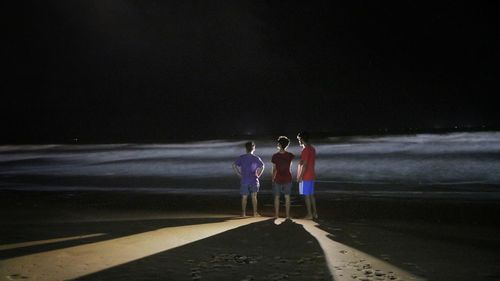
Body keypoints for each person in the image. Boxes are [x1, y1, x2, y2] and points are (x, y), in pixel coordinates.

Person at [232, 141, 265, 217]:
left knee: (244, 197)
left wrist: (239, 174)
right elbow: (262, 166)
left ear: (246, 148)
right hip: (254, 179)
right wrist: (258, 175)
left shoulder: (242, 157)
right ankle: (255, 213)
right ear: (253, 148)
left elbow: (234, 165)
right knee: (254, 197)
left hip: (244, 180)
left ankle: (243, 213)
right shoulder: (256, 158)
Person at [271, 136, 295, 219]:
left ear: (280, 144)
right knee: (287, 196)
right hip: (288, 177)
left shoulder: (275, 156)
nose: (277, 144)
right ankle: (287, 215)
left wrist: (272, 178)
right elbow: (289, 167)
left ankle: (276, 215)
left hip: (278, 177)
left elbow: (274, 169)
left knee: (277, 197)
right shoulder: (290, 155)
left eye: (278, 142)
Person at [296, 132, 317, 219]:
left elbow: (305, 164)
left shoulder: (305, 150)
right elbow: (309, 161)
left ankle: (309, 214)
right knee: (311, 195)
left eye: (298, 139)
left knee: (306, 196)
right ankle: (315, 213)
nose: (298, 141)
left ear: (301, 139)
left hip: (306, 175)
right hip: (312, 174)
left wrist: (300, 176)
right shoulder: (312, 149)